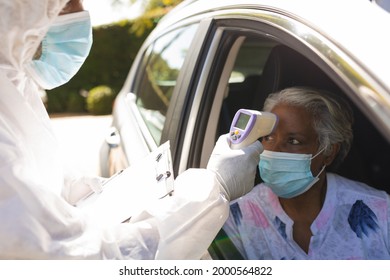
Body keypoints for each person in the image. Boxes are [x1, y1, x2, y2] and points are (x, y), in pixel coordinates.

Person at [0, 0, 263, 259]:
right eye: (66, 2)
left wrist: (97, 191)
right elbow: (80, 257)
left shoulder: (13, 86)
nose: (81, 12)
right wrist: (212, 192)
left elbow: (45, 183)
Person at [222, 86, 390, 259]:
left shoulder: (380, 211)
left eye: (294, 141)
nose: (275, 149)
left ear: (328, 152)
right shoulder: (236, 214)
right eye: (268, 138)